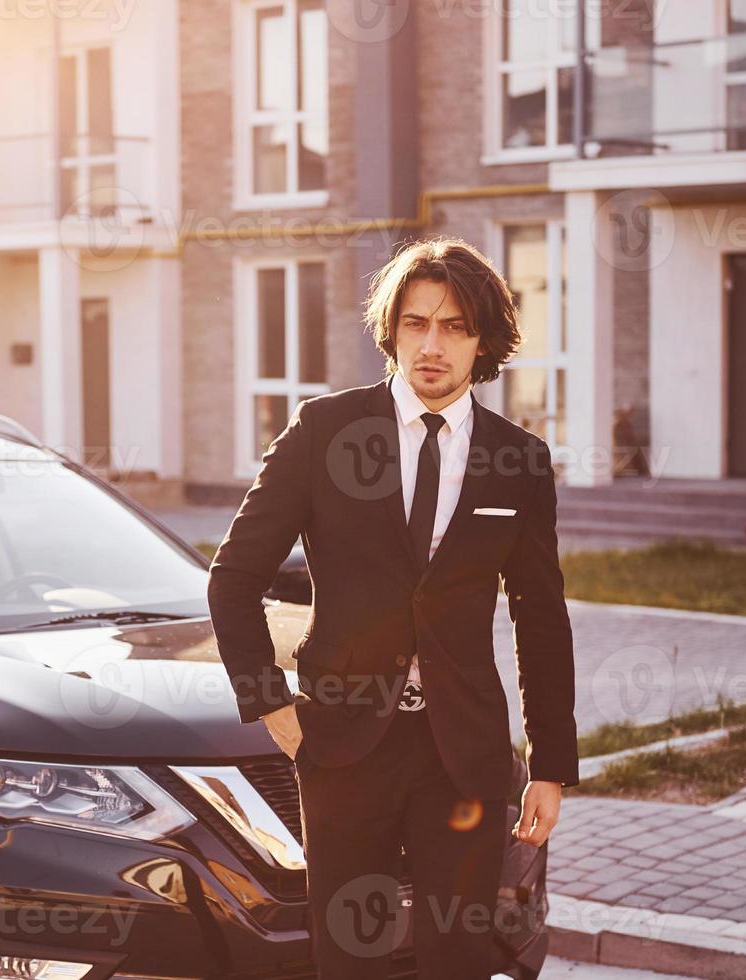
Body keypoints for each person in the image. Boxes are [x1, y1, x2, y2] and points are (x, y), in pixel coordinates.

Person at [207, 236, 579, 979]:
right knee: (351, 959)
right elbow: (234, 576)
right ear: (392, 330)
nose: (432, 345)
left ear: (484, 341)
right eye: (416, 323)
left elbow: (541, 619)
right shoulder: (324, 433)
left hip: (462, 756)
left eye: (453, 326)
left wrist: (551, 764)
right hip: (342, 747)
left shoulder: (520, 462)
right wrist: (273, 709)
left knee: (457, 959)